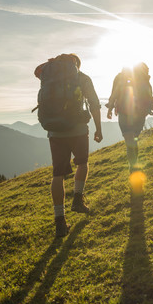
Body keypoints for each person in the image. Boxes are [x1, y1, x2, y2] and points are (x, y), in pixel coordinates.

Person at [34, 53, 102, 237]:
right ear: (76, 64)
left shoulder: (49, 78)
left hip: (54, 131)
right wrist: (99, 129)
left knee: (57, 175)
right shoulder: (81, 77)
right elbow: (94, 104)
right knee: (82, 163)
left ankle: (60, 222)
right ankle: (77, 200)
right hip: (77, 128)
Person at [106, 62, 153, 173]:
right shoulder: (143, 79)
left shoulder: (120, 77)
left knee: (129, 140)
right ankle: (134, 164)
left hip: (124, 112)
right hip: (140, 114)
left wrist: (110, 109)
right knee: (134, 140)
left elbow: (114, 94)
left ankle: (133, 165)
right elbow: (149, 96)